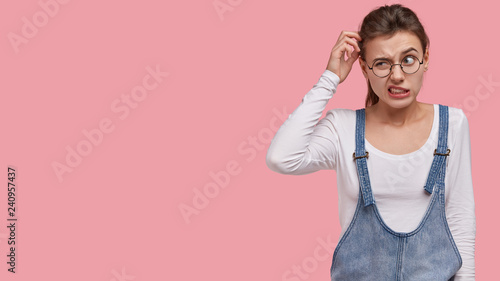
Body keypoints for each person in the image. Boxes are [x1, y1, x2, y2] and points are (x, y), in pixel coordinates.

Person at [265, 4, 475, 280]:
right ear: (363, 67)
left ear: (425, 57)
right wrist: (330, 78)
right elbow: (281, 158)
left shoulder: (453, 123)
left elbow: (461, 219)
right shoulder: (343, 127)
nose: (397, 75)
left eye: (408, 59)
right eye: (382, 63)